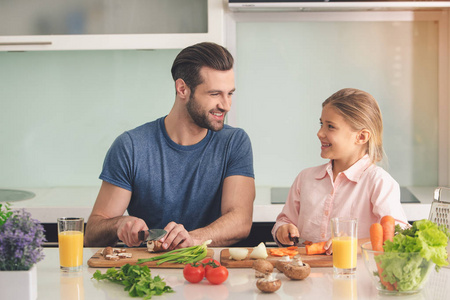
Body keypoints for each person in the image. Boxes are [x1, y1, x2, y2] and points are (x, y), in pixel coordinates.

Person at [85, 42, 255, 250]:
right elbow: (93, 231)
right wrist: (119, 224)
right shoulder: (131, 147)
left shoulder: (234, 143)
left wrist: (192, 239)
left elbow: (240, 220)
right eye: (214, 94)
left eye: (230, 93)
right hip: (148, 273)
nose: (226, 105)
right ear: (182, 89)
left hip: (210, 273)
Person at [272, 88, 407, 253]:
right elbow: (284, 220)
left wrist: (351, 245)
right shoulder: (306, 178)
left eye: (331, 126)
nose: (319, 133)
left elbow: (397, 235)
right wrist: (283, 230)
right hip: (304, 272)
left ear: (362, 137)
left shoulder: (378, 182)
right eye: (322, 124)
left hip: (355, 274)